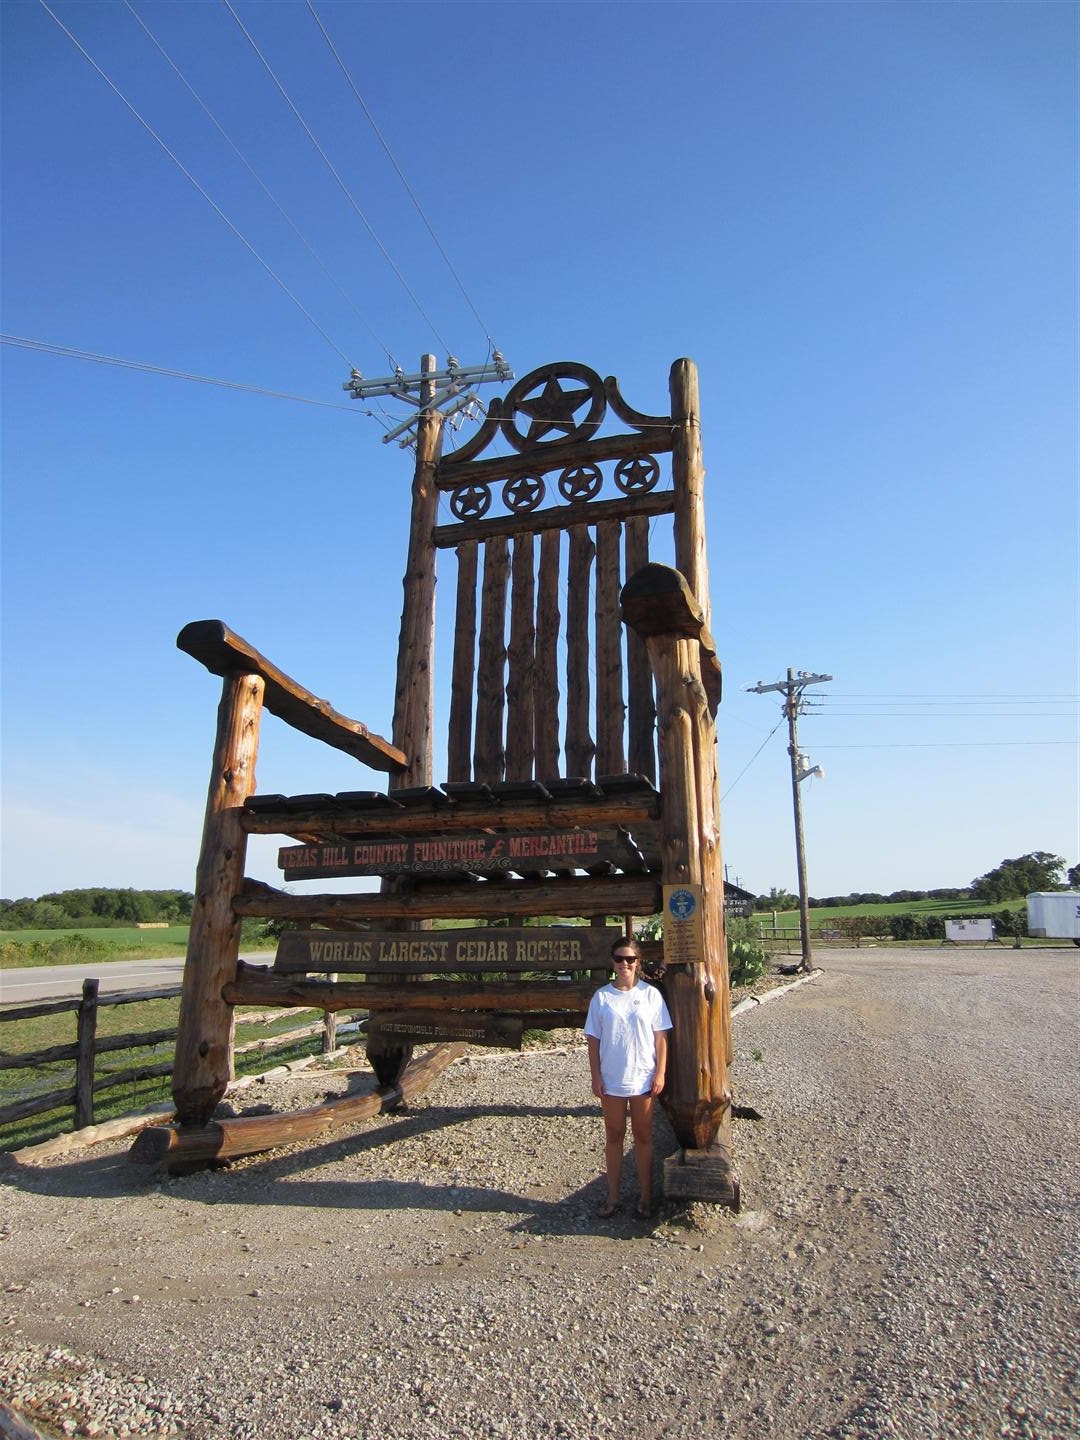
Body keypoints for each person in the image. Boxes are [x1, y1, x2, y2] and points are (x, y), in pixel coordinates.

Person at [584, 936, 672, 1219]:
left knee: (643, 1136)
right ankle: (613, 1197)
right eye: (620, 959)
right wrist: (595, 1076)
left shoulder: (650, 995)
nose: (625, 964)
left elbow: (661, 1038)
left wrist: (660, 1072)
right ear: (613, 962)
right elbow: (593, 1041)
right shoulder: (602, 997)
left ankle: (646, 1197)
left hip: (643, 1076)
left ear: (638, 962)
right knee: (614, 1136)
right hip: (612, 1078)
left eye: (630, 959)